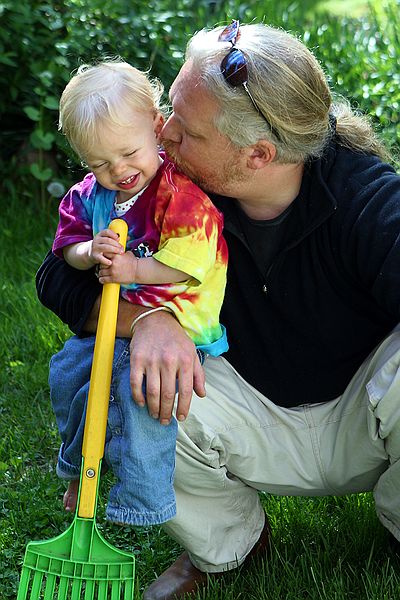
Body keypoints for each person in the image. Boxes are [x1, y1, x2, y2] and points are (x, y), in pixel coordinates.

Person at [36, 19, 400, 600]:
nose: (164, 129)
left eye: (186, 127)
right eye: (169, 109)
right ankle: (227, 544)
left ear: (257, 153)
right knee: (138, 374)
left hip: (365, 418)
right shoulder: (163, 186)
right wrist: (150, 318)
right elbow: (56, 276)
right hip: (239, 408)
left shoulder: (362, 197)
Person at [48, 59, 228, 528]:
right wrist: (91, 250)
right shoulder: (91, 194)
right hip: (122, 316)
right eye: (99, 163)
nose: (118, 171)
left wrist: (131, 266)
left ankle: (140, 501)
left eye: (128, 153)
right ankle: (78, 470)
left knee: (141, 396)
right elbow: (66, 251)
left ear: (156, 124)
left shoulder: (180, 195)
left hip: (179, 318)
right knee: (69, 372)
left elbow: (188, 265)